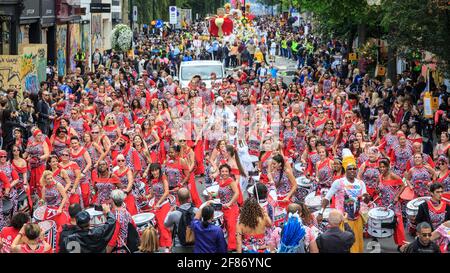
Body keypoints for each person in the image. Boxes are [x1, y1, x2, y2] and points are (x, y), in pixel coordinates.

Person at [317, 149, 370, 253]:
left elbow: (365, 200)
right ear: (345, 169)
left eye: (354, 169)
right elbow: (327, 198)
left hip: (357, 219)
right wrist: (320, 213)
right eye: (350, 169)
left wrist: (366, 198)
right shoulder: (339, 182)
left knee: (356, 244)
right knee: (343, 247)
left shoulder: (361, 183)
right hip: (342, 219)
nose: (352, 171)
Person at [164, 187, 198, 253]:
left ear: (178, 199)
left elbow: (166, 224)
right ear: (189, 198)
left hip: (179, 246)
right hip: (195, 245)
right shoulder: (196, 211)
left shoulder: (174, 214)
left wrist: (169, 211)